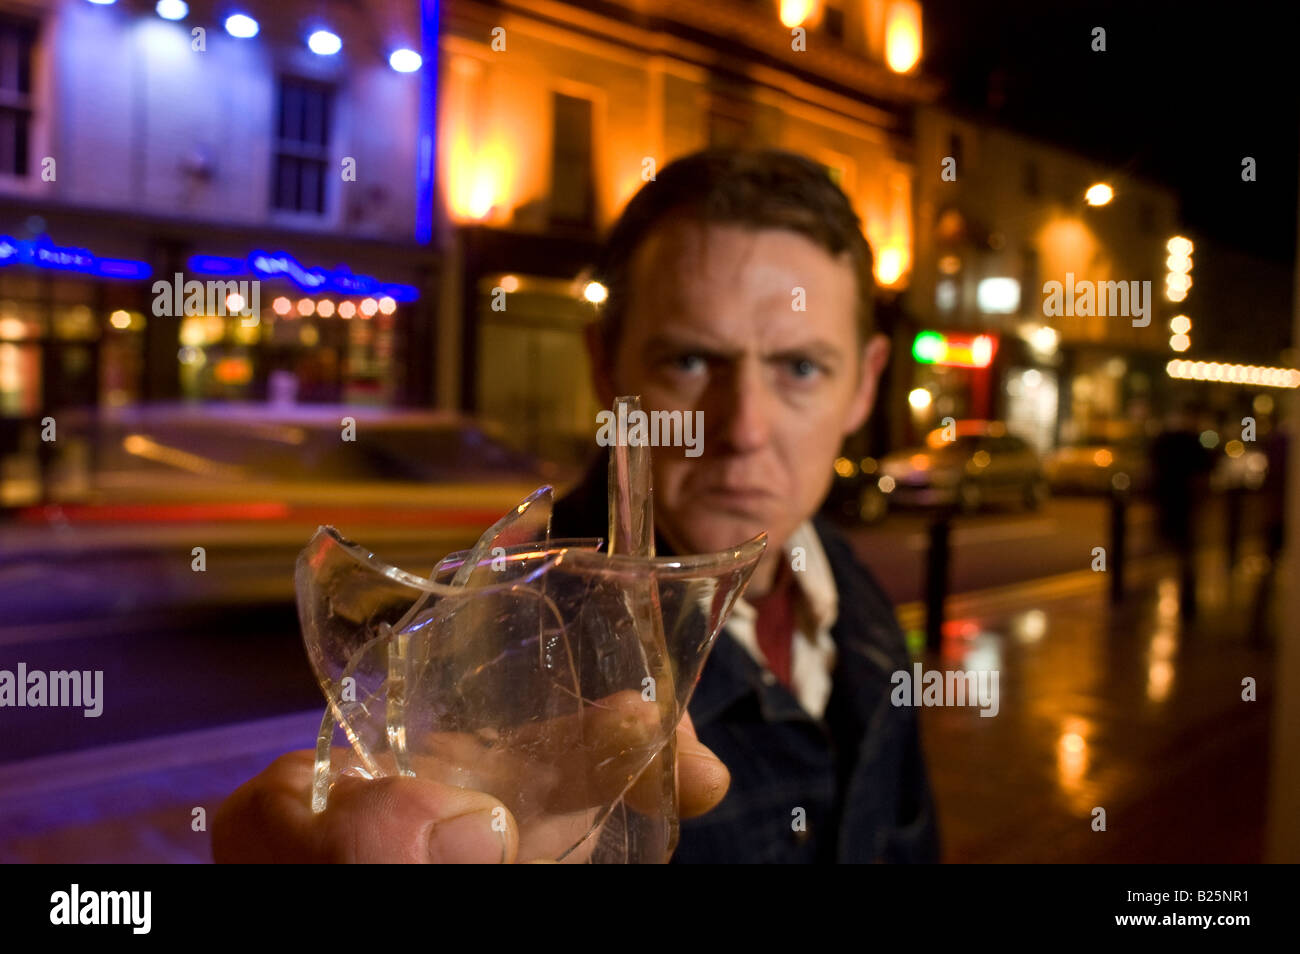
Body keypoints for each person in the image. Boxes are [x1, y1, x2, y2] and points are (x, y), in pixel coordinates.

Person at [213, 148, 940, 863]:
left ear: (866, 383)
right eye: (689, 362)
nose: (743, 430)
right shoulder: (500, 646)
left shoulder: (849, 592)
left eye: (801, 367)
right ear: (604, 364)